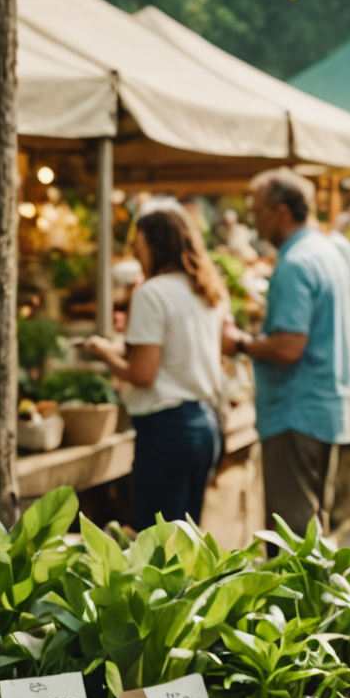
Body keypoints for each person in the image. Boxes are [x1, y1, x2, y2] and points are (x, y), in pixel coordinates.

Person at [224, 169, 350, 535]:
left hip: (295, 411)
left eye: (257, 212)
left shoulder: (296, 262)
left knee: (293, 542)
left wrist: (239, 342)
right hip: (321, 406)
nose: (255, 221)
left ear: (281, 211)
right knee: (312, 531)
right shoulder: (325, 251)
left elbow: (288, 347)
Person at [84, 207, 228, 527]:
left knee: (158, 542)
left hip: (167, 430)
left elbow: (142, 375)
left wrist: (106, 354)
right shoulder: (205, 289)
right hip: (205, 424)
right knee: (189, 540)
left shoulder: (152, 292)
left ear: (155, 244)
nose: (134, 249)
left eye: (139, 242)